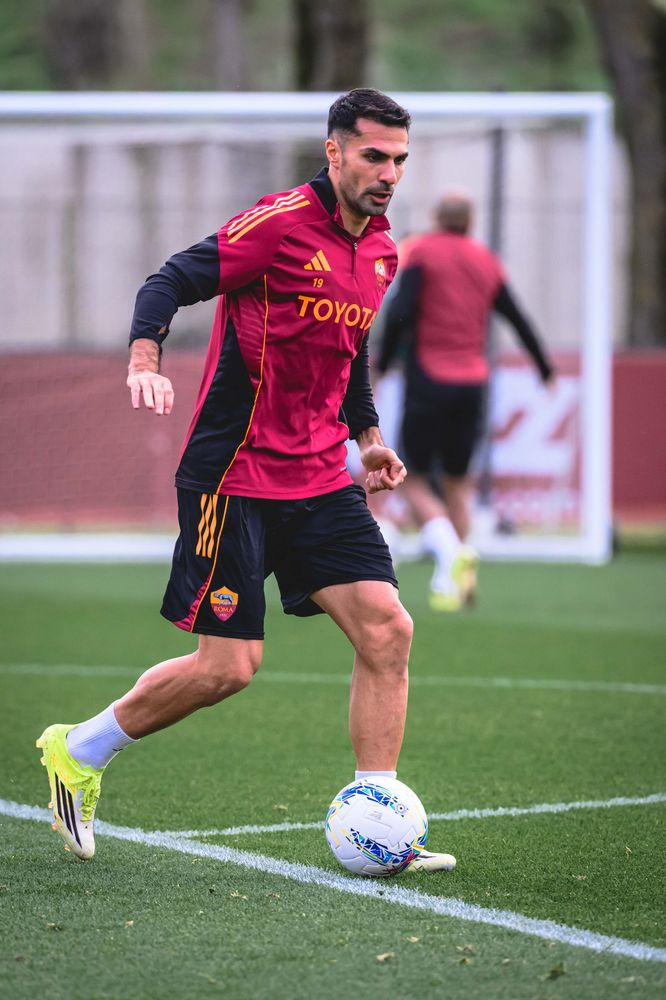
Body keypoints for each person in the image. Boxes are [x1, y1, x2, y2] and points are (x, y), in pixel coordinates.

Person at [36, 89, 455, 874]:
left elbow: (347, 353)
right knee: (229, 667)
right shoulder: (277, 225)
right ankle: (78, 750)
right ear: (333, 153)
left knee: (388, 630)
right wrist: (143, 359)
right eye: (373, 155)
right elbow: (169, 280)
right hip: (232, 478)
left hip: (321, 476)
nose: (389, 172)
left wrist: (366, 437)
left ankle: (380, 823)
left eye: (399, 159)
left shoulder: (384, 252)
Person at [377, 191, 555, 611]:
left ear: (437, 217)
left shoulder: (421, 251)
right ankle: (461, 585)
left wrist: (382, 363)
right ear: (470, 221)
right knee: (458, 483)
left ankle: (451, 556)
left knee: (414, 479)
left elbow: (402, 308)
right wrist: (544, 367)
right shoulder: (485, 261)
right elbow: (516, 316)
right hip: (474, 385)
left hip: (429, 380)